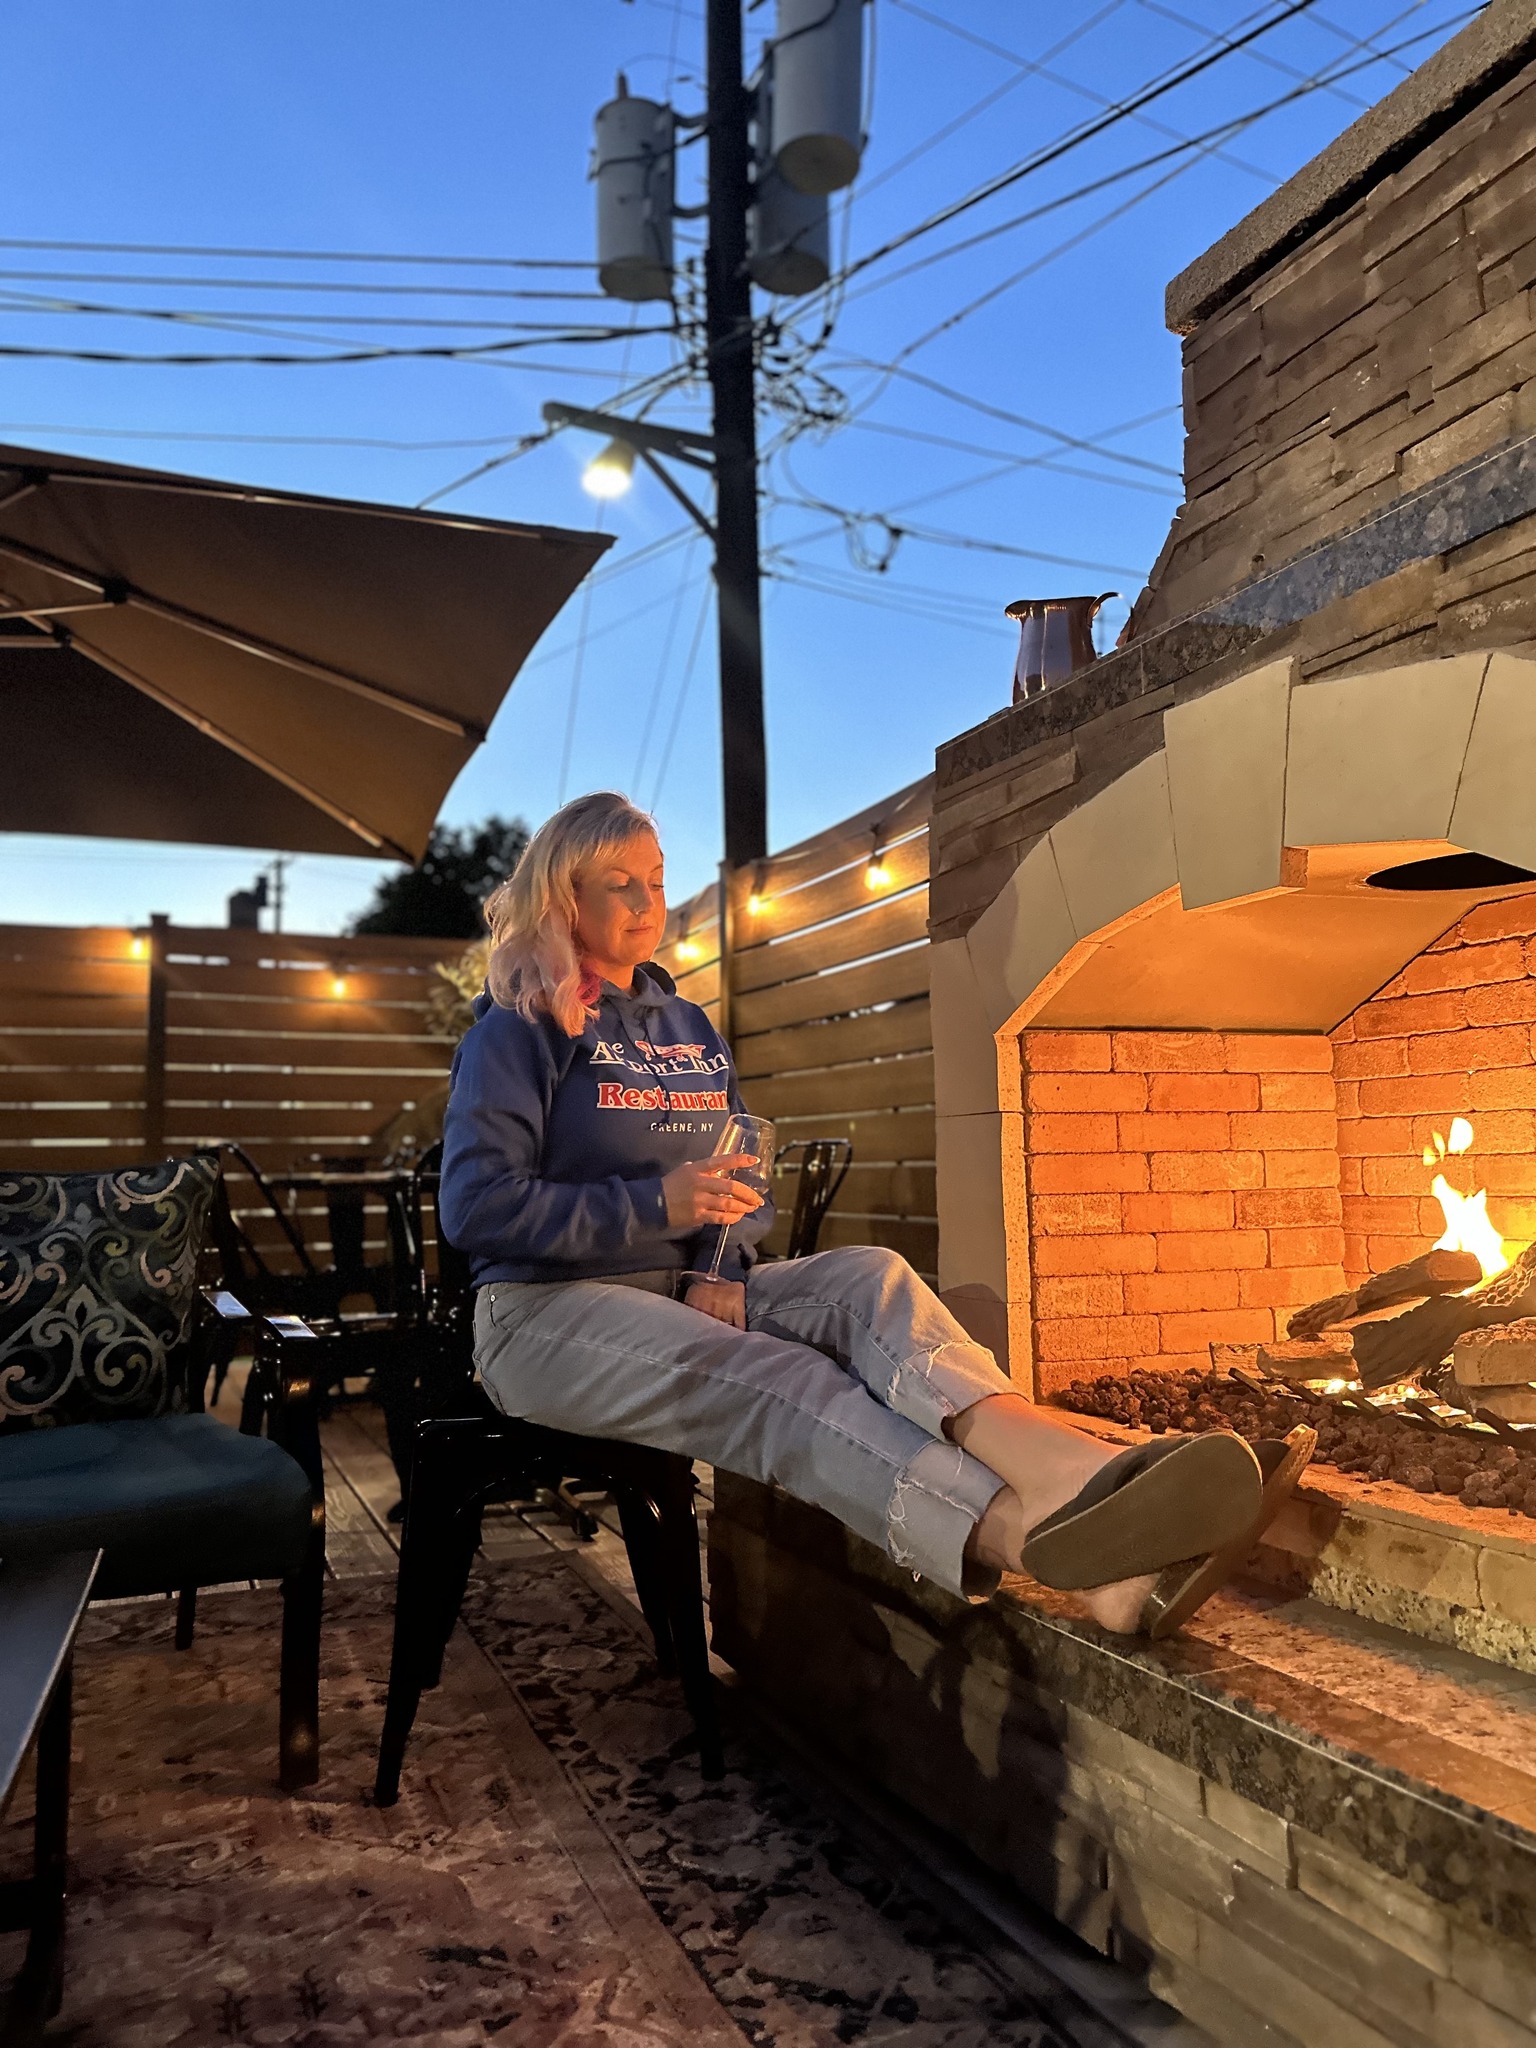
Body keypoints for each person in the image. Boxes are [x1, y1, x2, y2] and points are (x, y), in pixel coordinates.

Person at [440, 792, 1312, 1637]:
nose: (645, 901)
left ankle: (1084, 1478)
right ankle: (1035, 1541)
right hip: (542, 1314)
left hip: (688, 1289)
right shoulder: (518, 1031)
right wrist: (652, 1203)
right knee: (779, 1382)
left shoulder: (689, 1025)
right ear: (566, 898)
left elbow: (747, 1177)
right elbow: (474, 1209)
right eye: (618, 883)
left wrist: (716, 1265)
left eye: (656, 878)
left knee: (874, 1280)